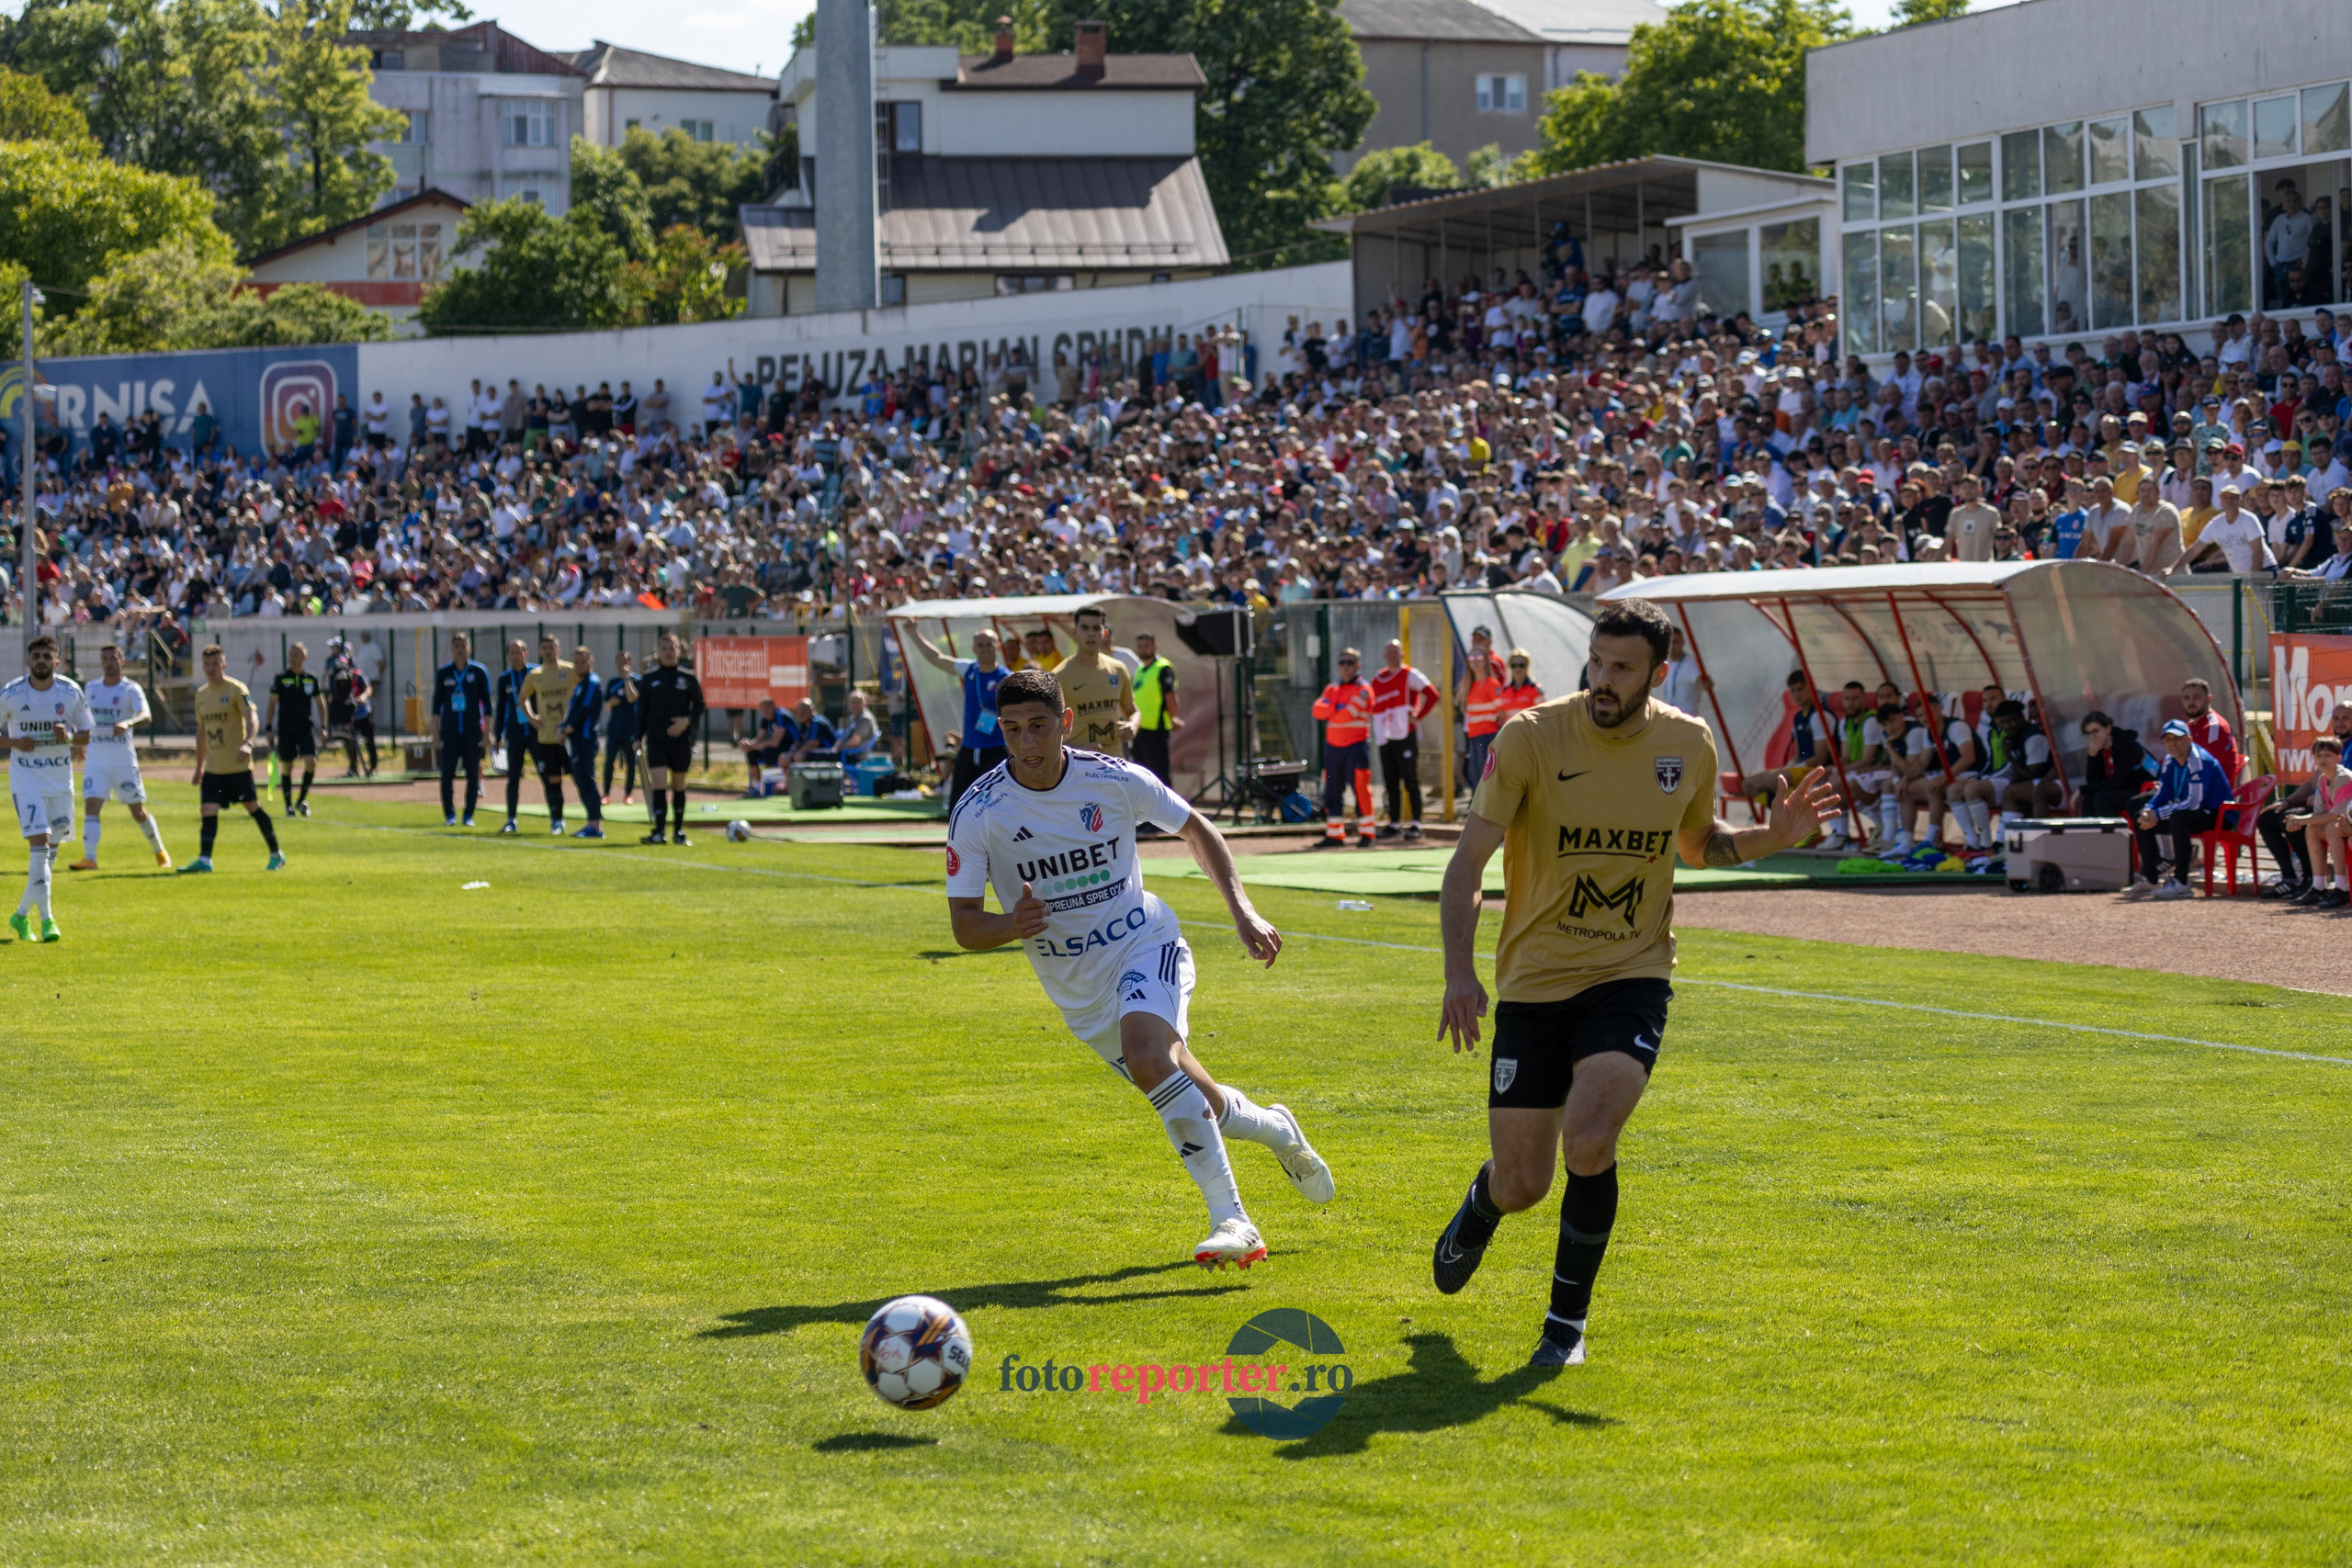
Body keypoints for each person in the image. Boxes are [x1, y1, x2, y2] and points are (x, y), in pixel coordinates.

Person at [1431, 598, 1838, 1366]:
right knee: (1525, 1183)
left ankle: (1565, 1328)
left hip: (1632, 973)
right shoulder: (1530, 736)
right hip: (1533, 980)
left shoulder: (1686, 741)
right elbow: (1467, 867)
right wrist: (1460, 970)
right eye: (1596, 661)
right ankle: (1483, 1202)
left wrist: (1772, 838)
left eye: (1622, 668)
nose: (1603, 681)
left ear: (1659, 669)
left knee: (1590, 1139)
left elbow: (1700, 841)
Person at [943, 667, 1332, 1271]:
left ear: (1065, 722)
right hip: (1079, 994)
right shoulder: (979, 811)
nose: (1027, 743)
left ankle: (1233, 1219)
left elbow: (1195, 827)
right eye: (1014, 729)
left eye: (1039, 726)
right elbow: (965, 924)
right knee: (1203, 1103)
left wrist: (1243, 910)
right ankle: (1279, 1130)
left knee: (1150, 1056)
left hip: (1144, 940)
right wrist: (1009, 925)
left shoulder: (1113, 779)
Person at [3, 635, 91, 940]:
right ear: (28, 662)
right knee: (39, 847)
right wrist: (16, 742)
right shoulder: (12, 693)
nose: (41, 660)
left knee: (47, 859)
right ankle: (48, 920)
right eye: (36, 656)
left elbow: (86, 735)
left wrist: (67, 737)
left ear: (57, 662)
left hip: (59, 781)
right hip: (26, 780)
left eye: (46, 656)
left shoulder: (70, 692)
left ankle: (20, 916)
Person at [184, 643, 285, 875]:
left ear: (224, 665)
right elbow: (201, 732)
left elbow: (252, 718)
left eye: (215, 664)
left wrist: (249, 743)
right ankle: (205, 860)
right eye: (207, 664)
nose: (211, 668)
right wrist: (199, 767)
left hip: (237, 766)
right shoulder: (201, 696)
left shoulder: (236, 689)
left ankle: (276, 854)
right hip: (213, 768)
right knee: (207, 810)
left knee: (252, 807)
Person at [69, 642, 170, 872]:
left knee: (137, 811)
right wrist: (80, 743)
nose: (108, 663)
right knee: (92, 805)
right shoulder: (92, 688)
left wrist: (129, 722)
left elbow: (146, 715)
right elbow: (82, 718)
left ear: (121, 661)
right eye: (104, 659)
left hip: (122, 759)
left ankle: (160, 851)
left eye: (113, 658)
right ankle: (90, 859)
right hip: (96, 757)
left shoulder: (130, 689)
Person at [903, 625, 1009, 814]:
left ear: (998, 646)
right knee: (958, 805)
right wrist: (913, 633)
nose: (985, 649)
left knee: (998, 804)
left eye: (989, 644)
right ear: (974, 648)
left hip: (996, 749)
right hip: (969, 747)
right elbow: (936, 658)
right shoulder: (969, 670)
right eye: (981, 645)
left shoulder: (1007, 678)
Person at [2257, 700, 2352, 898]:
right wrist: (2289, 801)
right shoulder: (2331, 746)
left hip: (2342, 811)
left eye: (2346, 718)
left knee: (2297, 821)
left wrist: (2307, 804)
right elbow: (2312, 783)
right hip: (2324, 806)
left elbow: (2341, 794)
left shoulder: (2340, 757)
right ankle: (2292, 878)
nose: (2340, 722)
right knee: (2269, 818)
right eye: (2336, 718)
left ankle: (2313, 879)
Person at [2129, 719, 2231, 898]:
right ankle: (2151, 878)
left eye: (2177, 738)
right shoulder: (2169, 760)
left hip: (2218, 814)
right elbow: (2163, 793)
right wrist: (2149, 810)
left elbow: (2194, 802)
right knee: (2141, 816)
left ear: (2189, 740)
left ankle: (2181, 882)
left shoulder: (2200, 761)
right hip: (2191, 811)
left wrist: (2158, 814)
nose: (2172, 744)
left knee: (2178, 818)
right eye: (2168, 740)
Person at [638, 631, 706, 846]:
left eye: (672, 648)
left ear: (679, 651)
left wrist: (686, 721)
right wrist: (637, 737)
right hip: (656, 740)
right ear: (658, 652)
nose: (668, 652)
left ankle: (678, 832)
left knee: (678, 784)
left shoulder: (688, 678)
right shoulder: (649, 679)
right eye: (664, 648)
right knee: (659, 783)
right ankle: (659, 831)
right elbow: (642, 711)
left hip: (680, 741)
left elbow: (700, 706)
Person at [1370, 639, 1438, 841]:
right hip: (1385, 737)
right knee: (1391, 782)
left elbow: (1432, 694)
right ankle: (1394, 823)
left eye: (1396, 651)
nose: (1392, 655)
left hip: (1405, 734)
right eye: (1389, 651)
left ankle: (1416, 823)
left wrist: (1417, 716)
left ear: (1403, 654)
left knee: (1411, 780)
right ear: (1384, 655)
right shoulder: (1377, 679)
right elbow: (1373, 705)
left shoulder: (1410, 675)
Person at [1311, 649, 1375, 849]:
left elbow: (1350, 713)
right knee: (1332, 791)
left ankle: (1367, 834)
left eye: (1350, 662)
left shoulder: (1364, 688)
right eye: (1342, 662)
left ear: (1358, 665)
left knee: (1360, 790)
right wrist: (1336, 708)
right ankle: (1334, 835)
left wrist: (1332, 709)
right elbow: (1316, 710)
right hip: (1333, 749)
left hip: (1356, 747)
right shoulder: (1332, 688)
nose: (1346, 666)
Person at [519, 634, 582, 836]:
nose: (548, 651)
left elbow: (587, 692)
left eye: (551, 647)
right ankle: (557, 820)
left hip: (570, 738)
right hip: (547, 737)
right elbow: (522, 699)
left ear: (559, 649)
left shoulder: (571, 671)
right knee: (552, 780)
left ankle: (592, 820)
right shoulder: (535, 674)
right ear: (539, 651)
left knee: (579, 777)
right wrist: (532, 718)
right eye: (544, 648)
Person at [1056, 605, 1136, 757]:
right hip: (1076, 766)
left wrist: (1132, 725)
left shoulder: (1118, 669)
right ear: (1075, 633)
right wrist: (1077, 751)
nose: (1091, 634)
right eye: (1085, 628)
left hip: (1115, 762)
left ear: (1104, 633)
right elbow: (1047, 730)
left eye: (1096, 629)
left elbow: (1133, 711)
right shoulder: (1059, 676)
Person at [432, 631, 493, 827]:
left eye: (463, 645)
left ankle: (468, 815)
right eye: (456, 646)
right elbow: (435, 706)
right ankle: (450, 814)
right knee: (447, 774)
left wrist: (487, 733)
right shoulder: (444, 673)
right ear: (452, 648)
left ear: (470, 648)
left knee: (472, 775)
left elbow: (488, 705)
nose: (460, 649)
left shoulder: (479, 671)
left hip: (472, 730)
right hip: (449, 731)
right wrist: (435, 733)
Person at [2284, 735, 2352, 907]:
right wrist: (2302, 821)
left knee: (2331, 827)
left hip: (2347, 826)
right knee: (2313, 829)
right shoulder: (2322, 779)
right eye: (2319, 755)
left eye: (2328, 755)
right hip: (2341, 825)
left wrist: (2300, 819)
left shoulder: (2345, 778)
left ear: (2338, 757)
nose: (2323, 760)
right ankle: (2318, 888)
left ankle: (2342, 889)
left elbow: (2338, 815)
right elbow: (2320, 814)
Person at [263, 642, 326, 818]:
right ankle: (289, 805)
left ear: (304, 657)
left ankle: (301, 800)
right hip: (286, 729)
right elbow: (272, 705)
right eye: (291, 655)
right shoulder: (281, 678)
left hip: (306, 728)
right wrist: (268, 728)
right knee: (287, 767)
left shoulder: (311, 678)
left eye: (296, 655)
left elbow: (321, 704)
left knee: (311, 762)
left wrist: (324, 726)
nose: (293, 658)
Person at [560, 645, 606, 840]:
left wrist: (565, 730)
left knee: (587, 781)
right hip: (577, 740)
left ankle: (595, 825)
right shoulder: (580, 684)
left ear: (591, 662)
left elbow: (583, 712)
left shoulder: (592, 683)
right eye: (576, 662)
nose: (579, 665)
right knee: (581, 781)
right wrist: (562, 726)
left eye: (583, 662)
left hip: (585, 739)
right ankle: (591, 823)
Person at [2078, 710, 2154, 818]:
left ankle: (2113, 834)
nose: (2092, 737)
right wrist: (2092, 756)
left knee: (2103, 797)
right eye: (2088, 733)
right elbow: (2092, 782)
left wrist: (2082, 790)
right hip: (2121, 789)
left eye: (2095, 731)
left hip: (2142, 789)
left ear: (2108, 728)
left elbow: (2117, 782)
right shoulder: (2098, 750)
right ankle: (2091, 834)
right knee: (2089, 798)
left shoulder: (2127, 745)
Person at [494, 638, 535, 834]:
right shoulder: (504, 679)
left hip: (536, 731)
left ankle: (557, 819)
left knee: (547, 774)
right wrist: (497, 734)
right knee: (513, 777)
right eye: (512, 652)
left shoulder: (536, 674)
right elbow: (501, 709)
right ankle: (511, 819)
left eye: (519, 652)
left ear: (526, 653)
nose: (515, 656)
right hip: (515, 733)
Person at [1129, 630, 1180, 786]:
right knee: (1142, 774)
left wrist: (1173, 718)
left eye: (1147, 646)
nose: (1143, 650)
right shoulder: (1140, 670)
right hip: (1140, 729)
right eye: (1140, 647)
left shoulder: (1162, 668)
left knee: (1159, 775)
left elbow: (1170, 697)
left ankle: (1168, 810)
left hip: (1155, 730)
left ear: (1155, 646)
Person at [2179, 677, 2242, 784]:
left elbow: (2206, 769)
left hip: (2212, 792)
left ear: (2209, 699)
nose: (2191, 702)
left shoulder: (2214, 727)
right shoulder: (2190, 725)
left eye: (2196, 697)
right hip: (2195, 784)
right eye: (2186, 698)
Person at [602, 651, 641, 806]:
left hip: (631, 729)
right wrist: (611, 702)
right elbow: (606, 705)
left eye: (625, 662)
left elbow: (632, 698)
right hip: (614, 729)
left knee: (631, 762)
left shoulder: (637, 681)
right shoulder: (612, 682)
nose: (622, 665)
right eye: (619, 662)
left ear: (630, 662)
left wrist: (627, 680)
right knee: (609, 761)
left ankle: (628, 794)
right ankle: (606, 793)